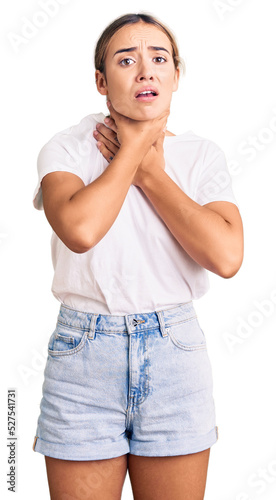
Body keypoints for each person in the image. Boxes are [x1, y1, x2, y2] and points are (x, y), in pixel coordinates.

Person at [32, 12, 244, 500]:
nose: (145, 70)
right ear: (102, 83)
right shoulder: (66, 148)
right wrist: (133, 152)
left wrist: (150, 173)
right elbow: (80, 229)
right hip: (82, 358)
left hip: (176, 354)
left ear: (175, 75)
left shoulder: (201, 155)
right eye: (127, 60)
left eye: (159, 58)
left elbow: (227, 257)